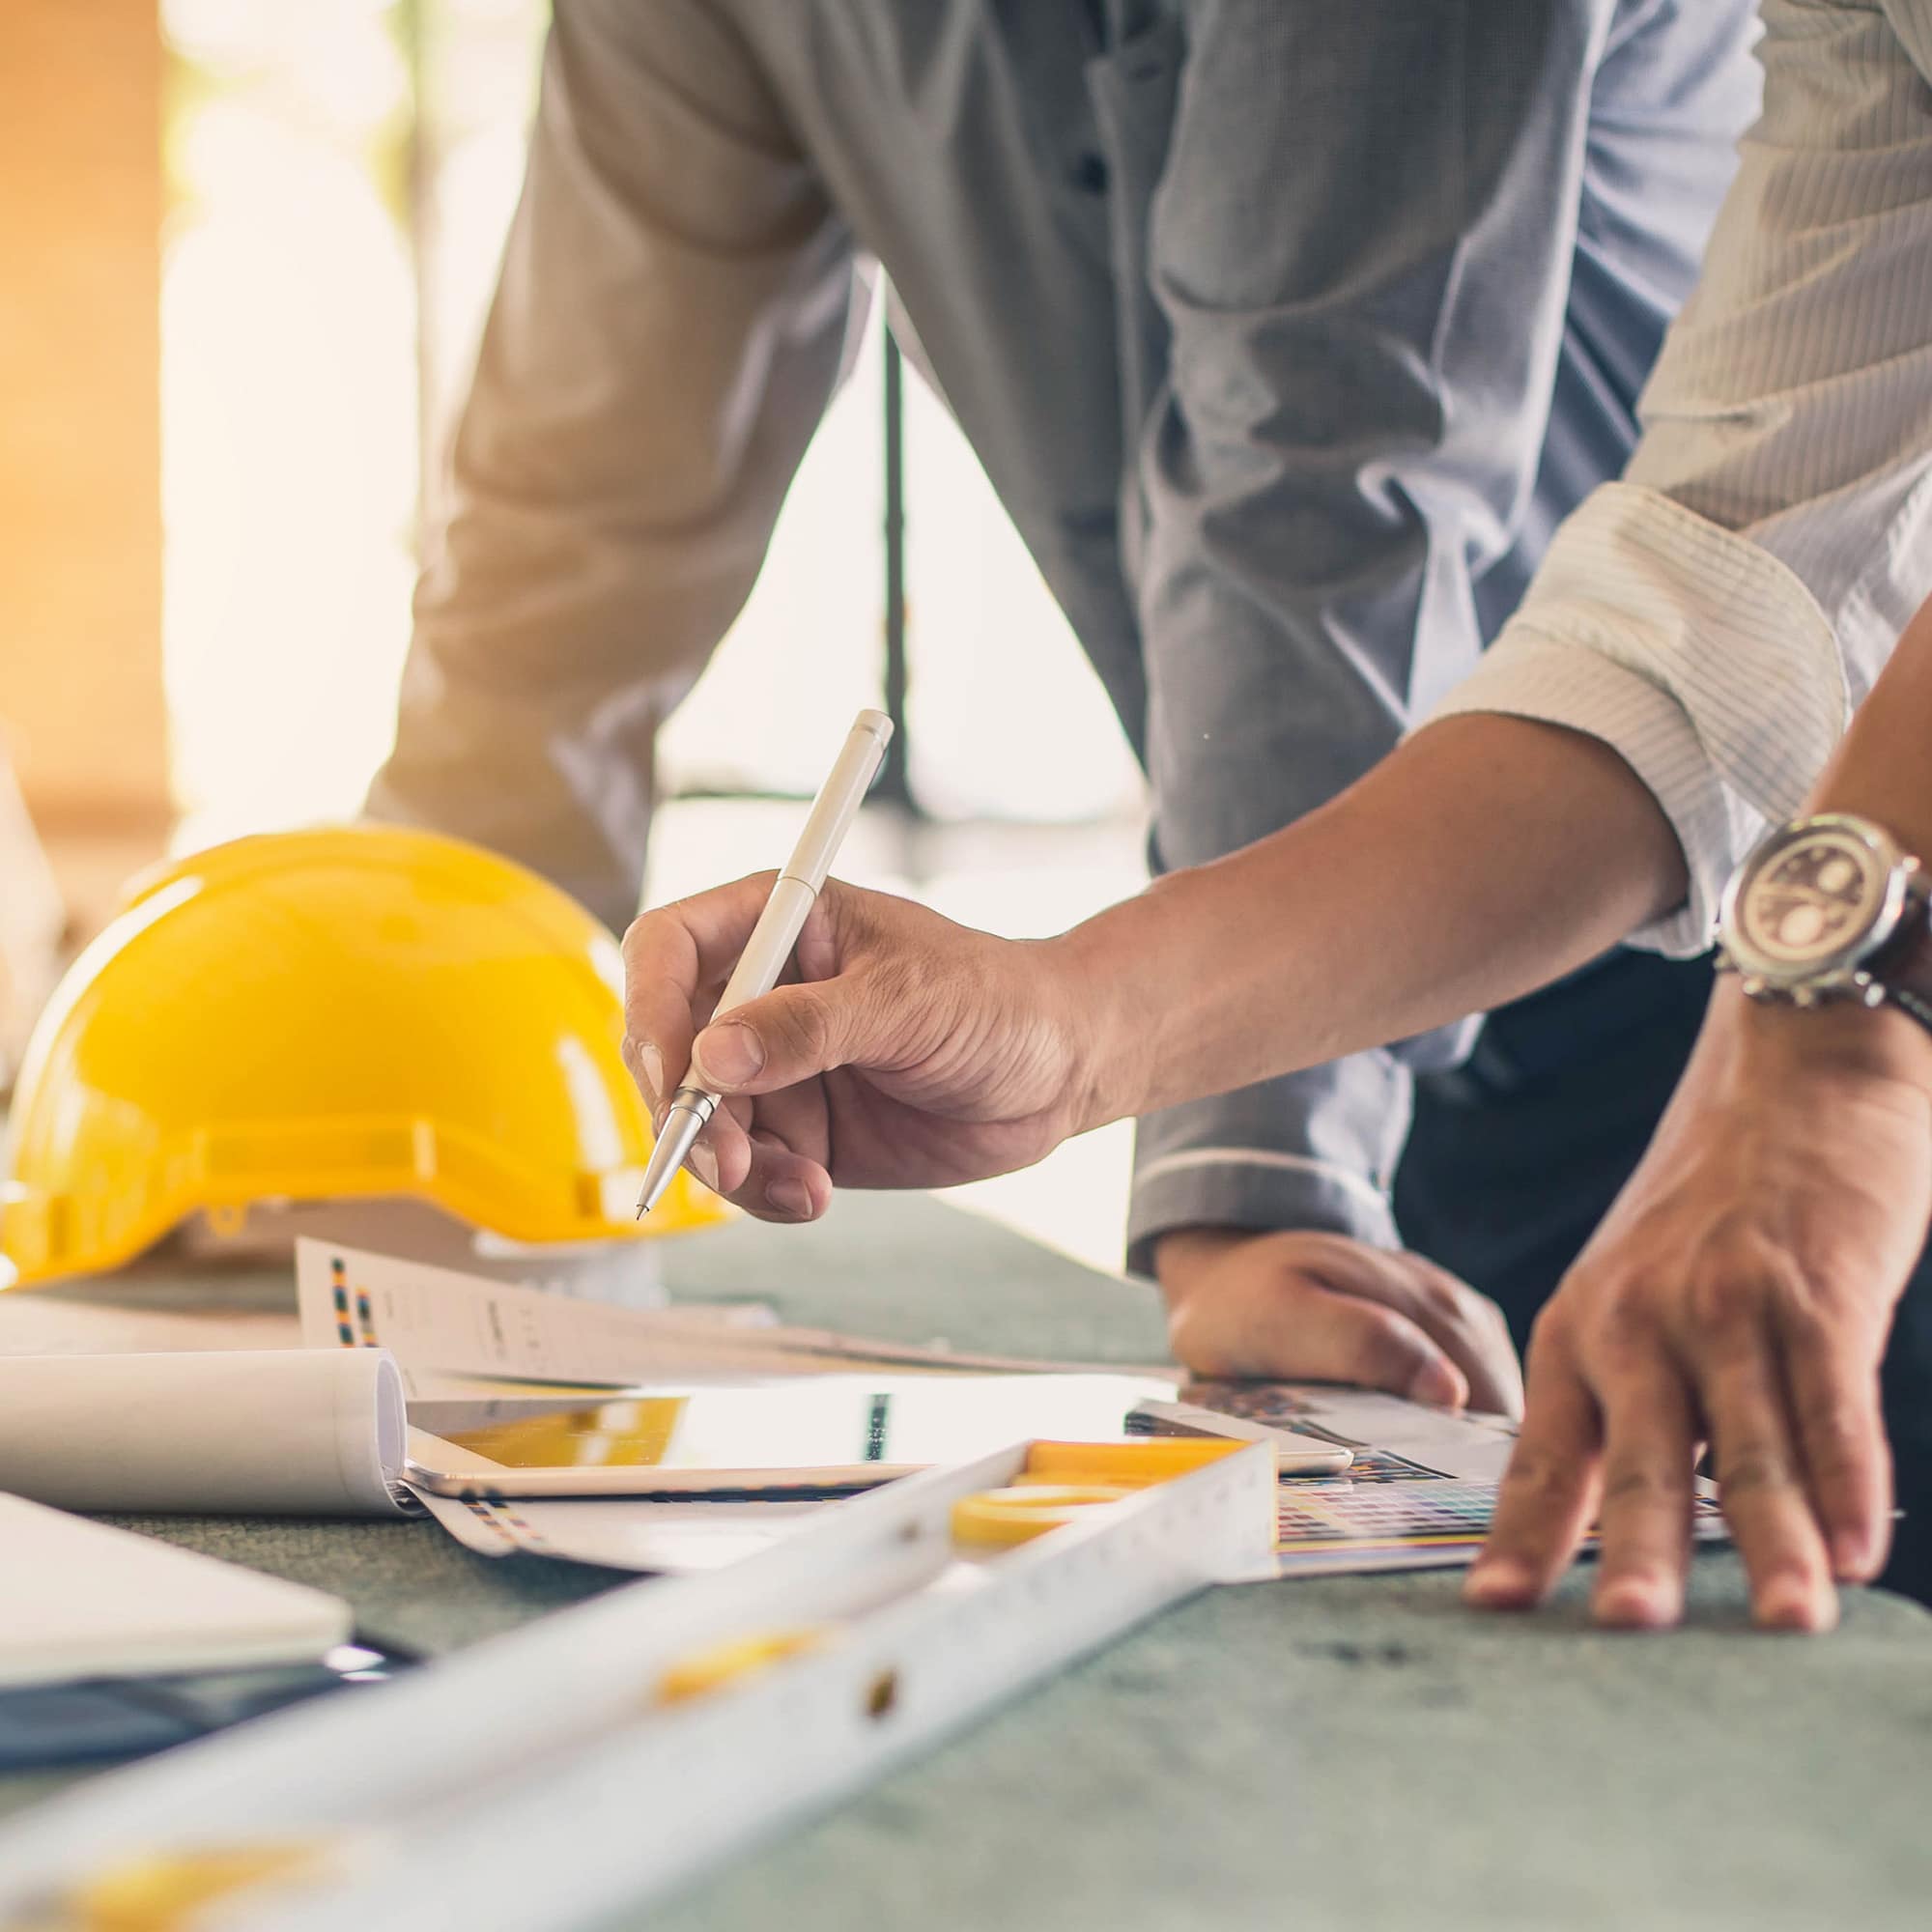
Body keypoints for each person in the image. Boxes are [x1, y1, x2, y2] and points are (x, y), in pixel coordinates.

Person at [622, 0, 1932, 1630]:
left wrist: (1839, 1037)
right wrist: (1070, 1027)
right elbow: (1717, 620)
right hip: (1581, 937)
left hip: (1748, 1016)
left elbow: (1324, 466)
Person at [370, 3, 1761, 1440]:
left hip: (1746, 963)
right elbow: (579, 513)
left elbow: (1326, 475)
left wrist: (1258, 1176)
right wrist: (382, 1045)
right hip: (1286, 974)